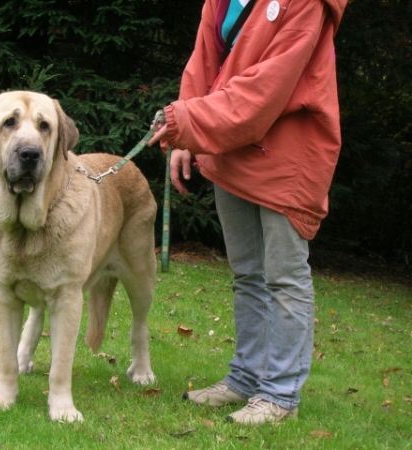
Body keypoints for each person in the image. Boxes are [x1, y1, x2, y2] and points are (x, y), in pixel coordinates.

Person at [148, 0, 347, 425]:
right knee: (248, 274)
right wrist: (187, 136)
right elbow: (202, 66)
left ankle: (280, 395)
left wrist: (186, 121)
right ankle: (245, 379)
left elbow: (266, 88)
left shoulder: (308, 4)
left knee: (284, 277)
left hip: (289, 153)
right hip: (231, 148)